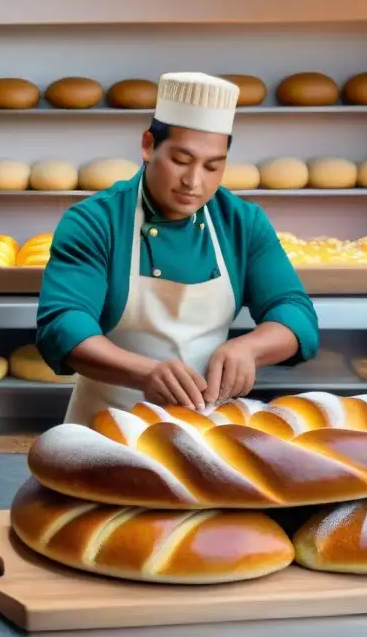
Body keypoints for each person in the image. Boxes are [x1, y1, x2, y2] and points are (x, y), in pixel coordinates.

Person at [36, 72, 319, 425]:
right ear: (148, 146)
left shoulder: (242, 222)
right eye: (181, 160)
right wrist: (144, 373)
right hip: (105, 429)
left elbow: (294, 311)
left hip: (206, 432)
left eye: (212, 166)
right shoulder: (96, 220)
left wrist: (250, 348)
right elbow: (63, 324)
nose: (194, 181)